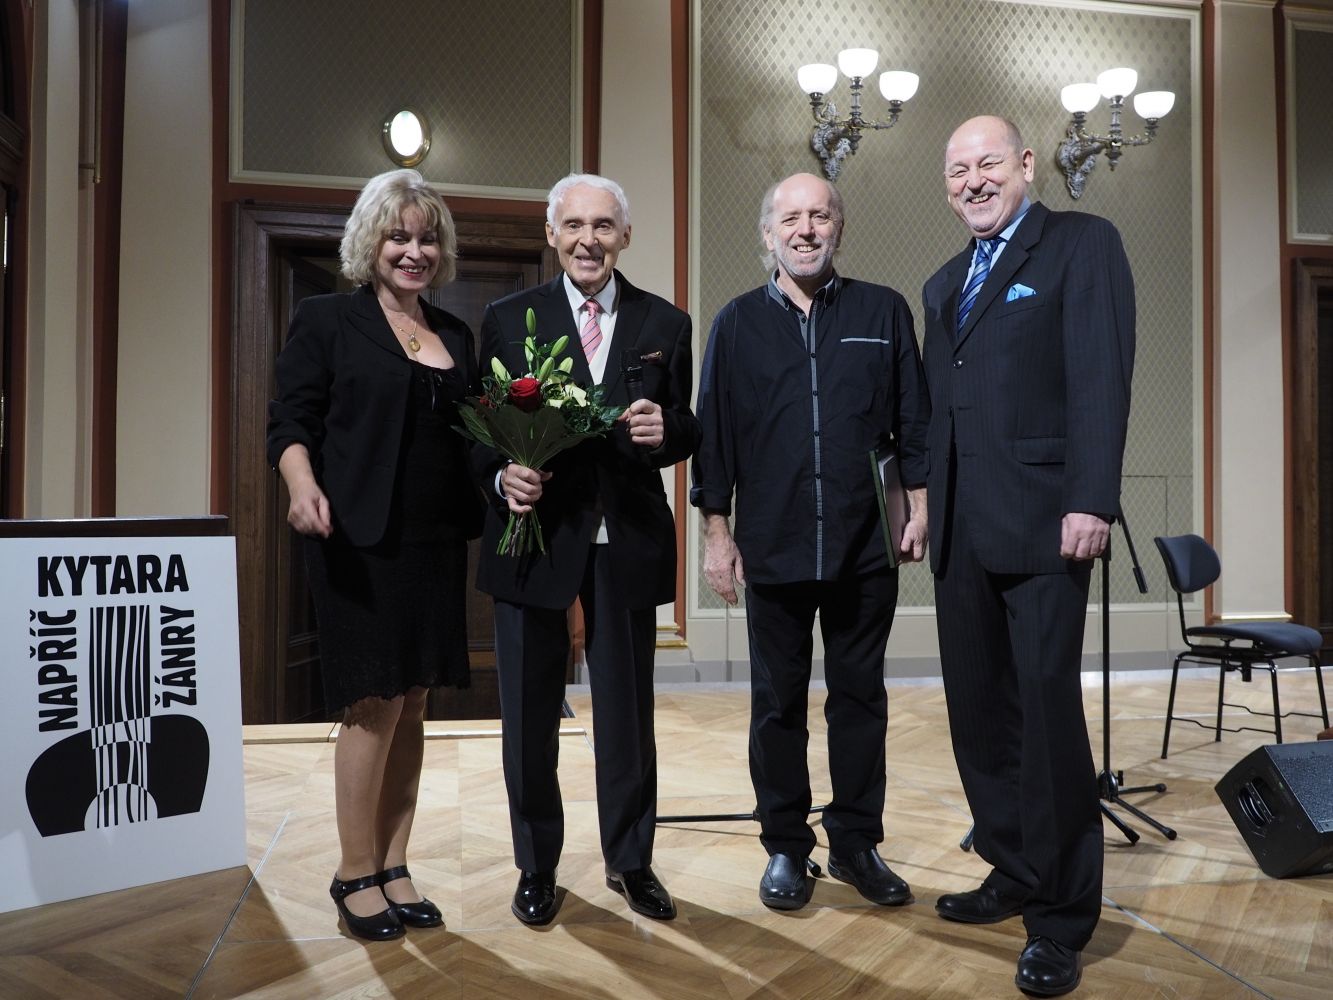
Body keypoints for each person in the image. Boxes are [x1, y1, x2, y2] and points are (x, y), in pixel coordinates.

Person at [921, 116, 1135, 997]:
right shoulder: (942, 283)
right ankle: (1010, 868)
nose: (972, 180)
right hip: (959, 533)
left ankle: (1059, 917)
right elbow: (938, 408)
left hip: (1046, 522)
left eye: (986, 164)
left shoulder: (1081, 244)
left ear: (1024, 165)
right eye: (956, 170)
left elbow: (1100, 375)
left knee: (1046, 726)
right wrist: (923, 505)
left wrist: (1091, 497)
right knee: (979, 718)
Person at [691, 172, 929, 912]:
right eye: (790, 218)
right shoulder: (735, 324)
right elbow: (714, 441)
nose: (805, 230)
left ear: (838, 228)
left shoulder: (882, 311)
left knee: (860, 701)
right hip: (774, 547)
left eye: (819, 216)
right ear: (767, 234)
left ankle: (856, 843)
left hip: (865, 545)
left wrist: (919, 507)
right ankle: (786, 847)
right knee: (777, 707)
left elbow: (914, 420)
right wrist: (716, 534)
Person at [473, 173, 700, 926]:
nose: (588, 240)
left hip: (625, 542)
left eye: (603, 226)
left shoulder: (666, 322)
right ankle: (536, 866)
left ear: (624, 236)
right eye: (573, 225)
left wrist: (667, 433)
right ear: (552, 235)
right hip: (533, 540)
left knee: (627, 718)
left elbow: (687, 424)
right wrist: (500, 476)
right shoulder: (508, 318)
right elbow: (478, 432)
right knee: (528, 716)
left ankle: (630, 861)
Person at [266, 168, 483, 942]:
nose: (413, 251)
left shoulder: (456, 335)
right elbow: (290, 421)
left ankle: (395, 863)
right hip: (358, 540)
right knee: (373, 701)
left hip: (434, 540)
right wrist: (300, 484)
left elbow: (473, 440)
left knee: (415, 699)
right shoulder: (327, 319)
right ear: (370, 242)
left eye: (427, 239)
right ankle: (353, 870)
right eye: (398, 237)